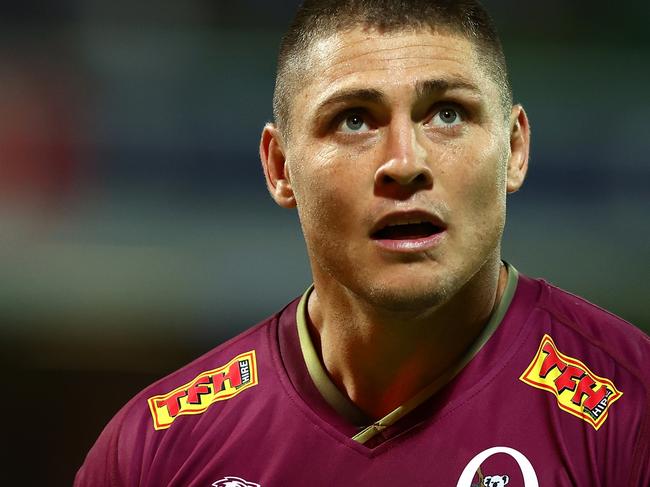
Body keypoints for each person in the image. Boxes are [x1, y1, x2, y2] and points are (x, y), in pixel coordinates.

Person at [75, 1, 649, 485]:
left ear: (515, 150)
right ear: (280, 168)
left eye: (447, 113)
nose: (405, 163)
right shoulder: (155, 449)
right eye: (354, 120)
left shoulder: (633, 410)